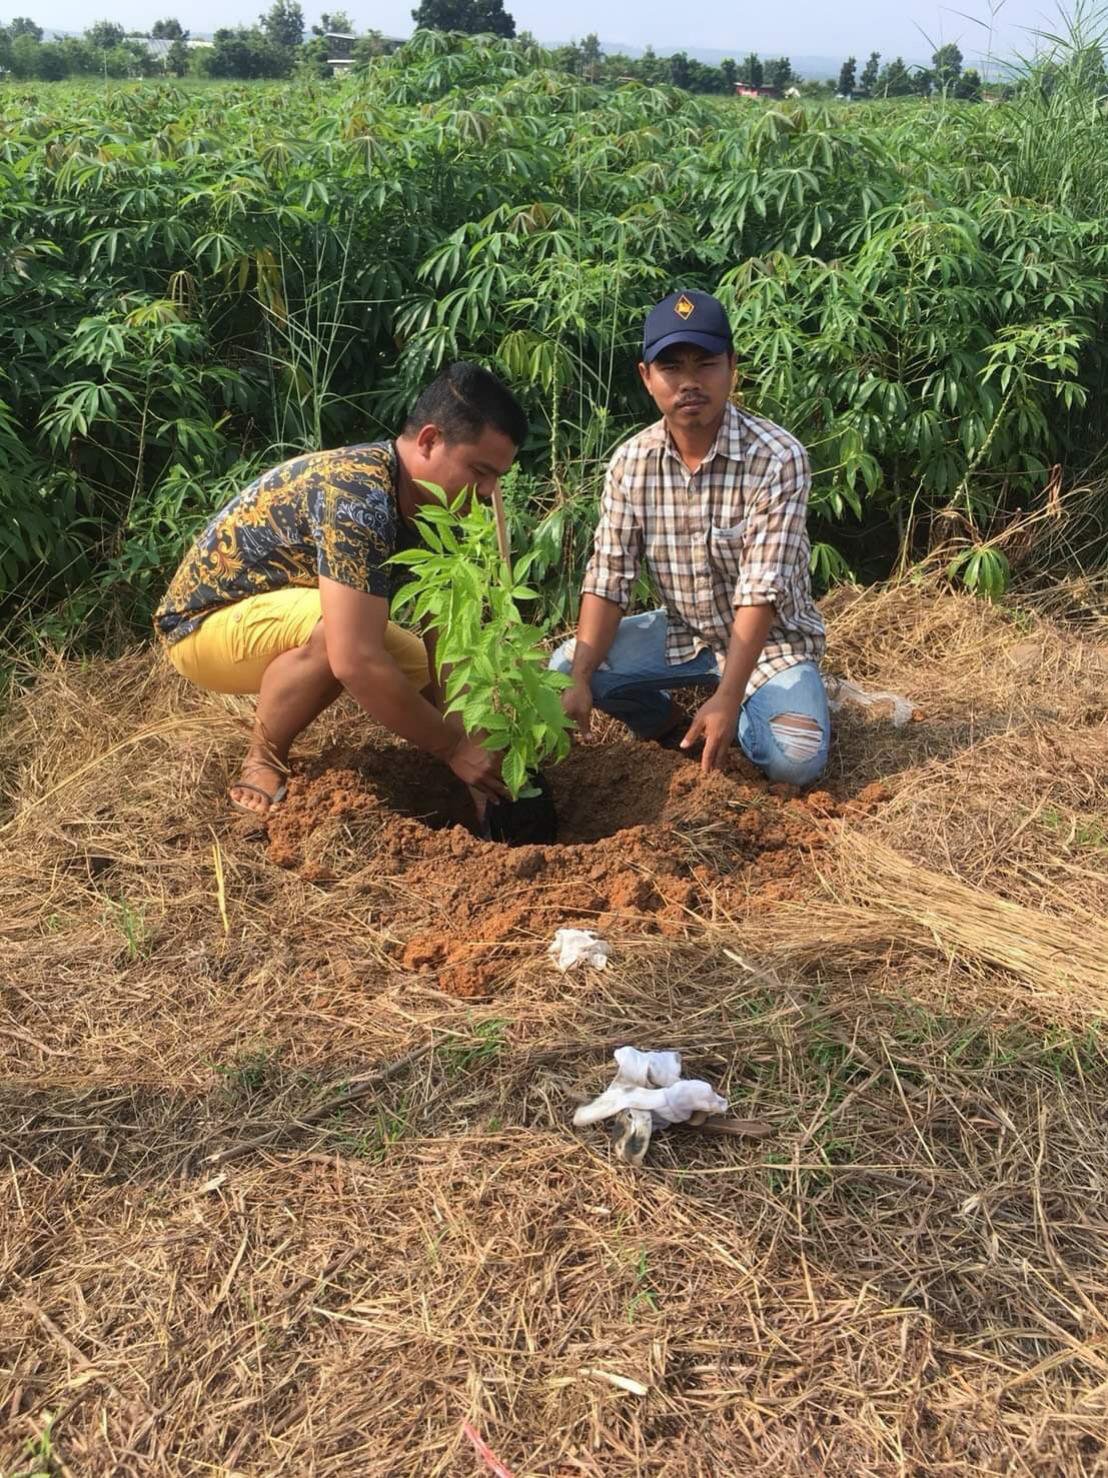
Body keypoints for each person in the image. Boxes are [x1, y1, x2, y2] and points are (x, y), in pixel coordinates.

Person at [154, 362, 526, 816]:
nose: (487, 491)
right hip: (204, 626)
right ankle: (263, 758)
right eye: (479, 471)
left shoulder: (446, 510)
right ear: (429, 440)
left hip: (294, 611)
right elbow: (354, 660)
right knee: (342, 639)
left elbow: (445, 647)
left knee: (428, 688)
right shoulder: (357, 492)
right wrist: (451, 748)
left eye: (495, 478)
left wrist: (479, 761)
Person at [552, 290, 829, 785]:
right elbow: (609, 576)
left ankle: (748, 715)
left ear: (732, 367)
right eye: (671, 368)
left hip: (772, 645)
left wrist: (727, 695)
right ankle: (665, 726)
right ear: (646, 377)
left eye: (705, 364)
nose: (689, 382)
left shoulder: (778, 458)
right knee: (563, 667)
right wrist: (578, 680)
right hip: (685, 634)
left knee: (796, 758)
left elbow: (760, 590)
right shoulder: (631, 464)